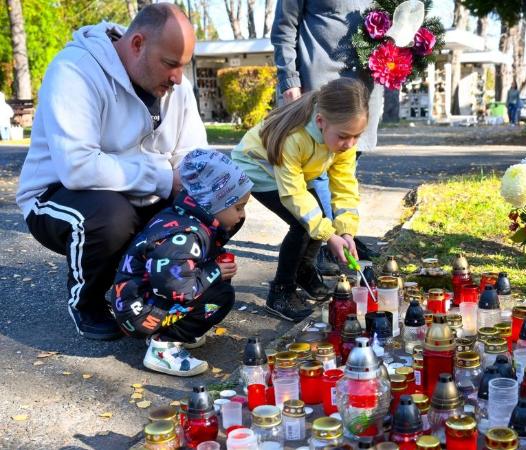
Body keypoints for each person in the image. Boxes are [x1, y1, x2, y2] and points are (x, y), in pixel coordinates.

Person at [15, 4, 206, 340]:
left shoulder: (175, 83)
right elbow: (78, 167)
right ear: (137, 44)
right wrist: (164, 178)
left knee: (213, 209)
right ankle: (86, 302)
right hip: (59, 196)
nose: (178, 77)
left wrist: (203, 191)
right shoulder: (74, 70)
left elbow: (191, 155)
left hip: (140, 192)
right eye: (171, 64)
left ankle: (159, 297)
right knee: (111, 217)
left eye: (183, 66)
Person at [231, 78, 367, 323]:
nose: (350, 144)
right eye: (345, 137)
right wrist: (328, 235)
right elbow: (294, 195)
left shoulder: (341, 138)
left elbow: (344, 186)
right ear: (320, 122)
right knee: (303, 223)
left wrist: (345, 231)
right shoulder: (294, 137)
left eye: (357, 136)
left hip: (290, 172)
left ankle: (303, 271)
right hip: (257, 169)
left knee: (319, 219)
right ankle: (280, 293)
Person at [110, 150, 252, 376]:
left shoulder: (186, 217)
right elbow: (178, 289)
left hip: (142, 299)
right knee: (221, 296)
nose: (242, 216)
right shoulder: (185, 236)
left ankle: (175, 330)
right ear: (213, 203)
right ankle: (164, 346)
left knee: (217, 290)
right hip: (138, 311)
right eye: (238, 207)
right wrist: (214, 270)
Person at [272, 0, 382, 273]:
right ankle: (321, 247)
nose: (350, 142)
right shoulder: (298, 140)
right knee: (315, 178)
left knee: (345, 167)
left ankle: (341, 236)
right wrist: (290, 79)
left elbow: (344, 183)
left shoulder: (348, 137)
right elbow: (284, 26)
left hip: (364, 86)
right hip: (319, 82)